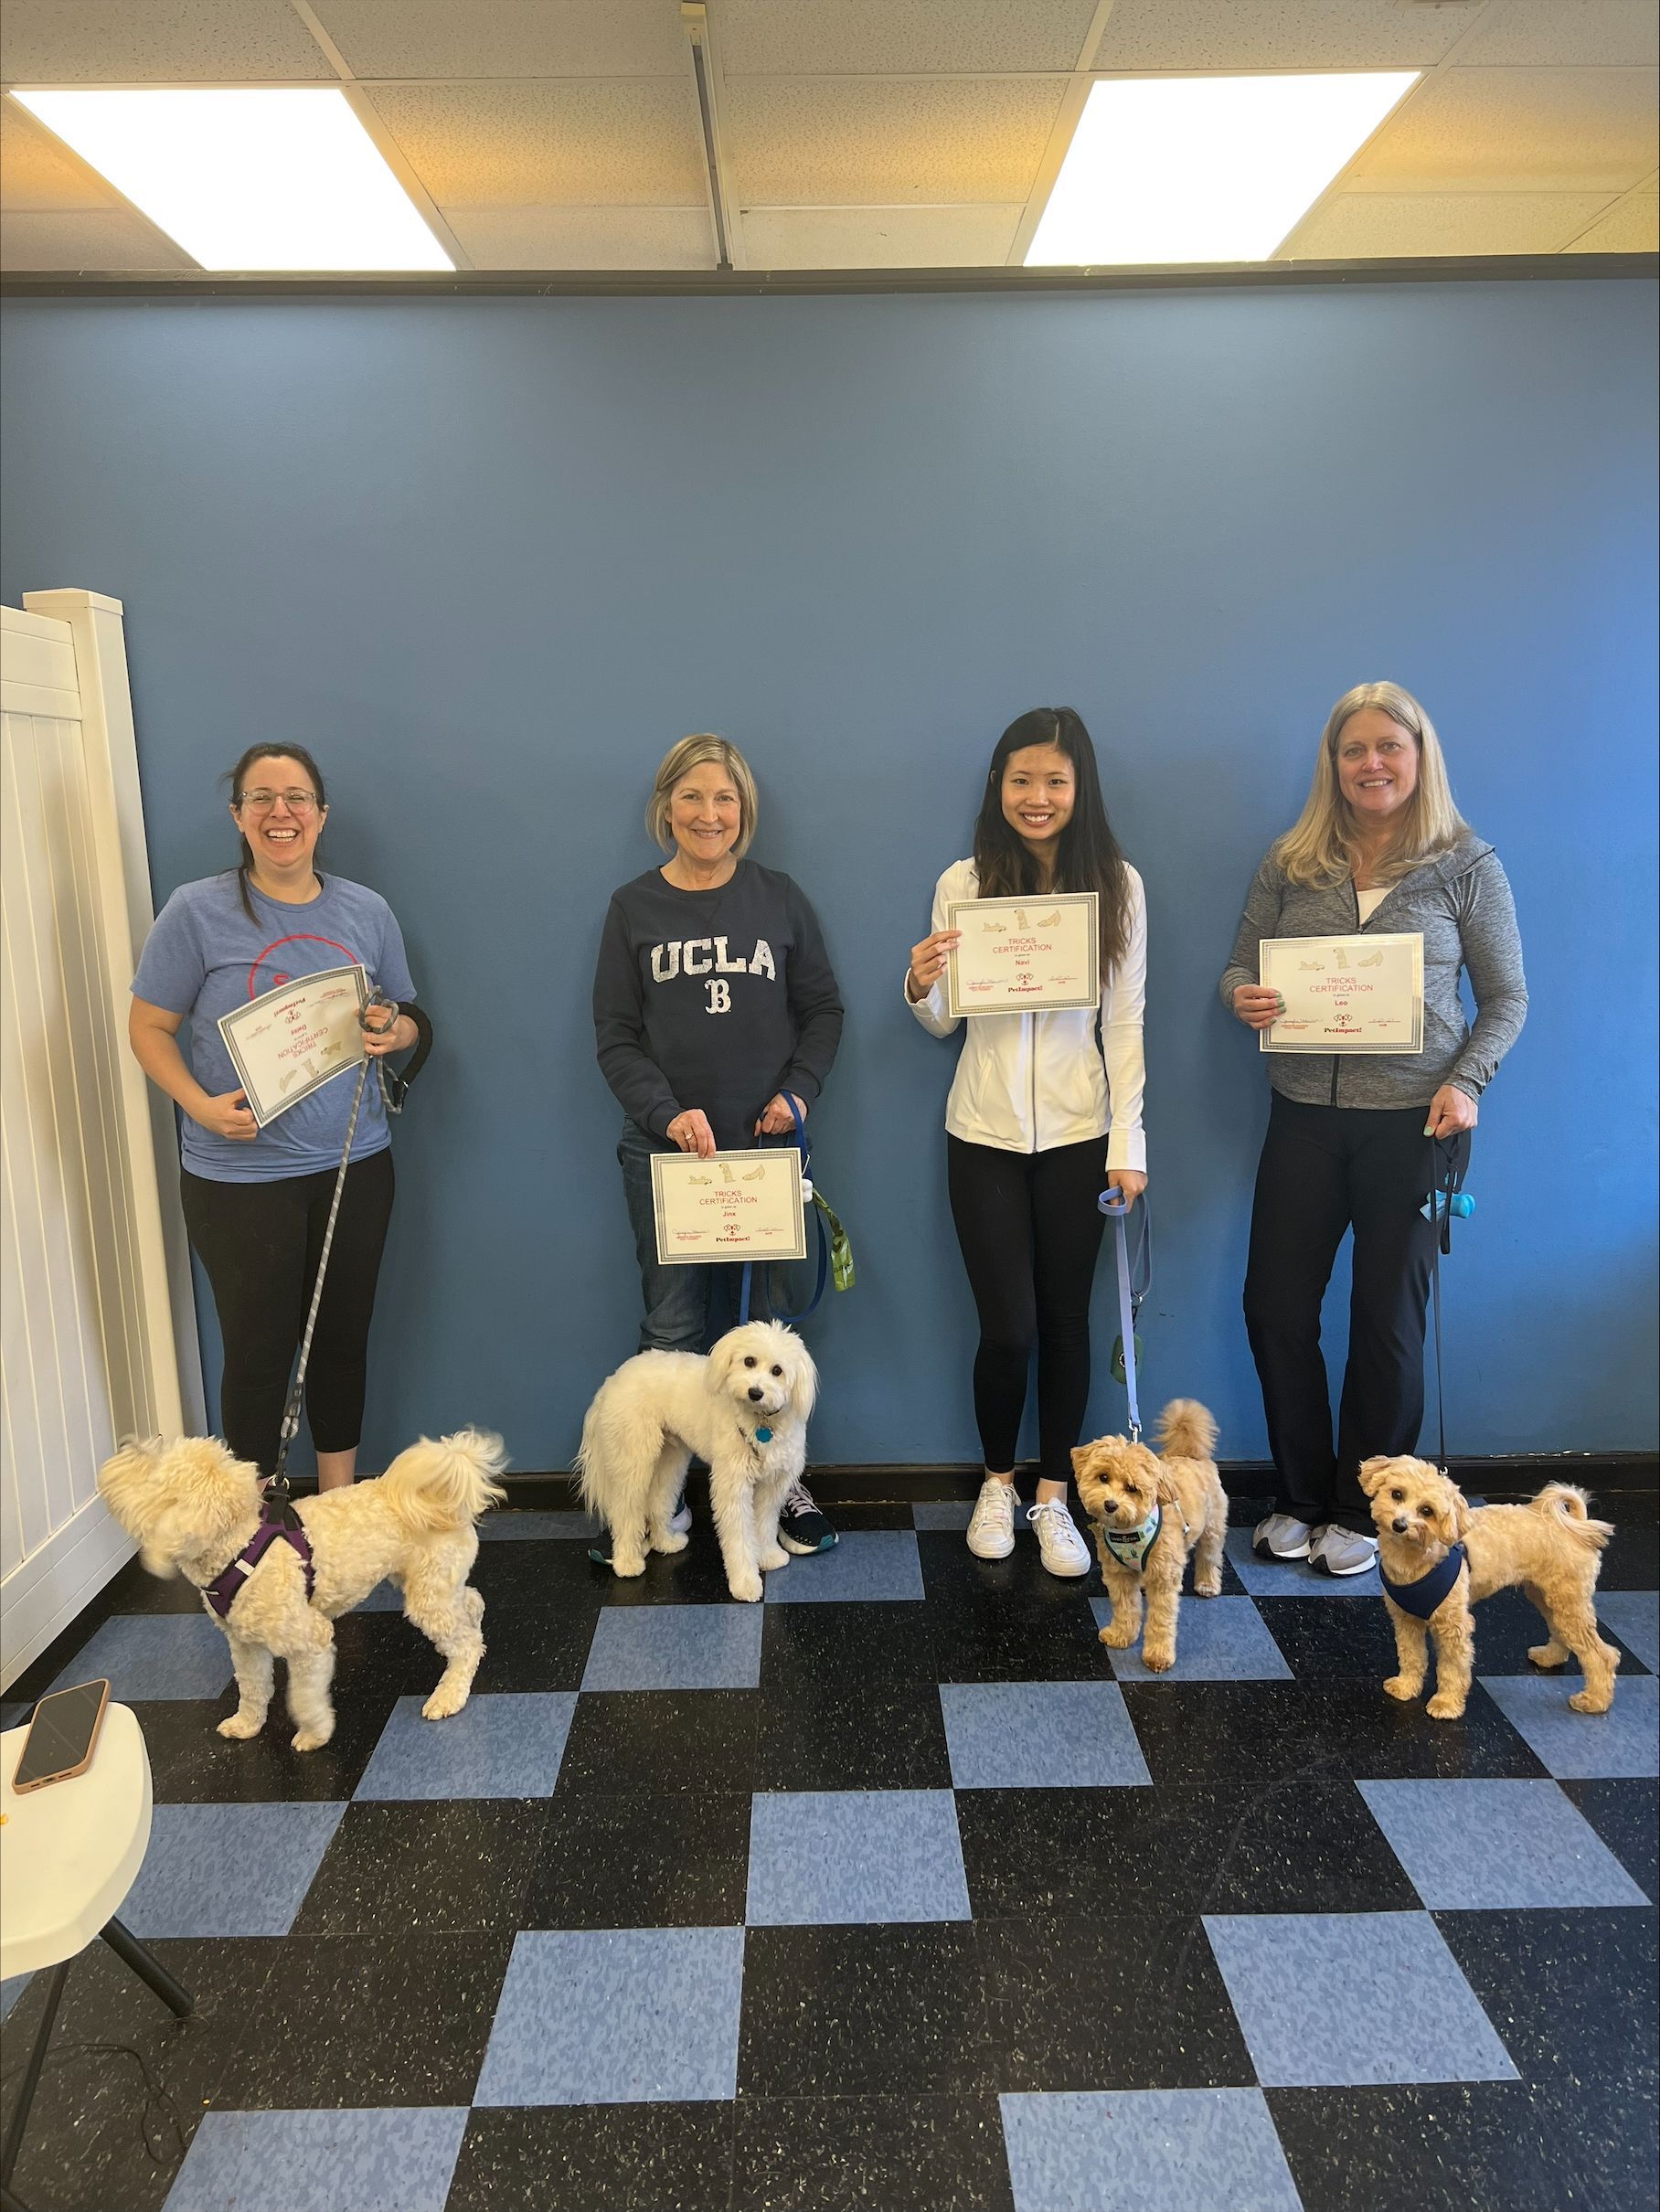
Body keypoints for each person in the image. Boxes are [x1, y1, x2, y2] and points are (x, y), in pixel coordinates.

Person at [1220, 680, 1527, 1575]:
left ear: (1418, 756)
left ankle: (1366, 1507)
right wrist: (1239, 993)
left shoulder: (1466, 863)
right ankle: (1300, 1494)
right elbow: (1241, 959)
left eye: (1388, 746)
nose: (1371, 763)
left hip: (1415, 1121)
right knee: (1274, 1307)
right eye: (1353, 749)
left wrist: (1467, 1082)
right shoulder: (1292, 860)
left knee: (1385, 1321)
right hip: (1303, 1116)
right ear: (1333, 764)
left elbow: (1506, 998)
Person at [129, 744, 421, 1491]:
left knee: (340, 1344)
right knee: (257, 1354)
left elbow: (407, 1016)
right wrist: (197, 1104)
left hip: (355, 1166)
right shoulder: (196, 911)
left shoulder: (368, 910)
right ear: (238, 816)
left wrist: (397, 1031)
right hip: (237, 1179)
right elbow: (147, 1027)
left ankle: (337, 1506)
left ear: (322, 816)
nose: (279, 812)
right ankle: (253, 1523)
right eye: (261, 798)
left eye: (296, 798)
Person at [908, 707, 1147, 1576]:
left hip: (1083, 1133)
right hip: (982, 1132)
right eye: (1020, 780)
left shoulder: (1118, 884)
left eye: (1054, 780)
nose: (1036, 797)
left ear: (1079, 788)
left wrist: (1131, 1140)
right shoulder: (963, 881)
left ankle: (1055, 1496)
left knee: (1066, 1324)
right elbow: (943, 1022)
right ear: (997, 787)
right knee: (1006, 1329)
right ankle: (998, 1482)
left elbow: (1124, 1024)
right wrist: (920, 982)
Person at [592, 733, 845, 1555]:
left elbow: (824, 1013)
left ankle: (778, 1488)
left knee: (764, 1336)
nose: (710, 814)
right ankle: (646, 1509)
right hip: (667, 1158)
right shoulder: (633, 908)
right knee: (671, 1333)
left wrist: (797, 1095)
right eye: (694, 797)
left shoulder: (780, 899)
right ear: (666, 806)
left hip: (764, 1155)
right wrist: (667, 1113)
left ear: (745, 812)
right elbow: (617, 1038)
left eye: (726, 799)